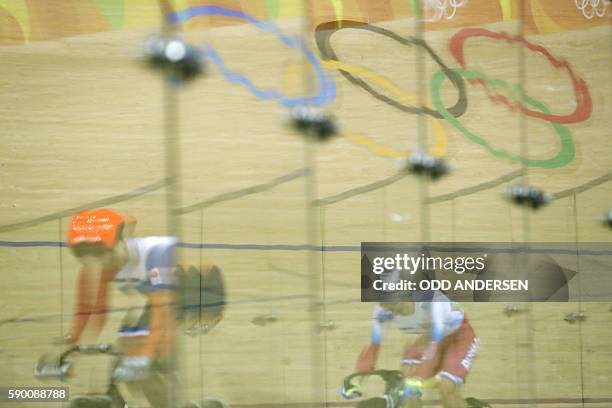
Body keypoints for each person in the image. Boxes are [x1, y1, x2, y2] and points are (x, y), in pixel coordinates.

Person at [42, 208, 225, 408]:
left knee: (141, 367)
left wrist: (146, 352)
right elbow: (94, 311)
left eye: (103, 257)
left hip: (195, 294)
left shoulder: (153, 254)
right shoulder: (103, 264)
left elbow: (162, 312)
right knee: (128, 365)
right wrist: (72, 351)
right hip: (164, 302)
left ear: (118, 243)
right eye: (88, 261)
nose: (101, 265)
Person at [343, 292, 479, 408]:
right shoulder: (384, 308)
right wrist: (357, 381)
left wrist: (418, 376)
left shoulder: (431, 302)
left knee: (447, 391)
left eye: (393, 305)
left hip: (459, 337)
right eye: (386, 306)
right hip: (429, 338)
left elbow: (434, 346)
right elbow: (374, 348)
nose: (390, 310)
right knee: (407, 390)